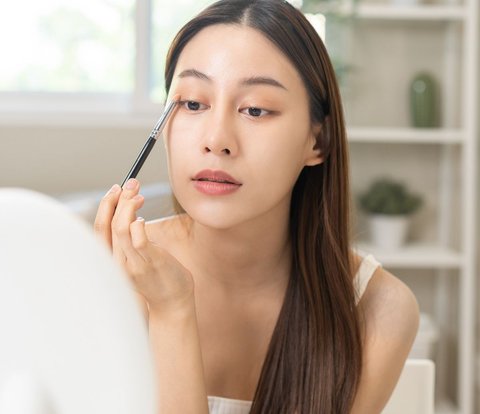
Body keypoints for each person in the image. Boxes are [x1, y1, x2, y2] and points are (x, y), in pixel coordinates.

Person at [94, 1, 420, 413]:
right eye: (193, 104)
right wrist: (159, 306)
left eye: (255, 109)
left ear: (317, 142)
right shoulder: (112, 274)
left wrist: (173, 311)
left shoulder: (377, 310)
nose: (217, 139)